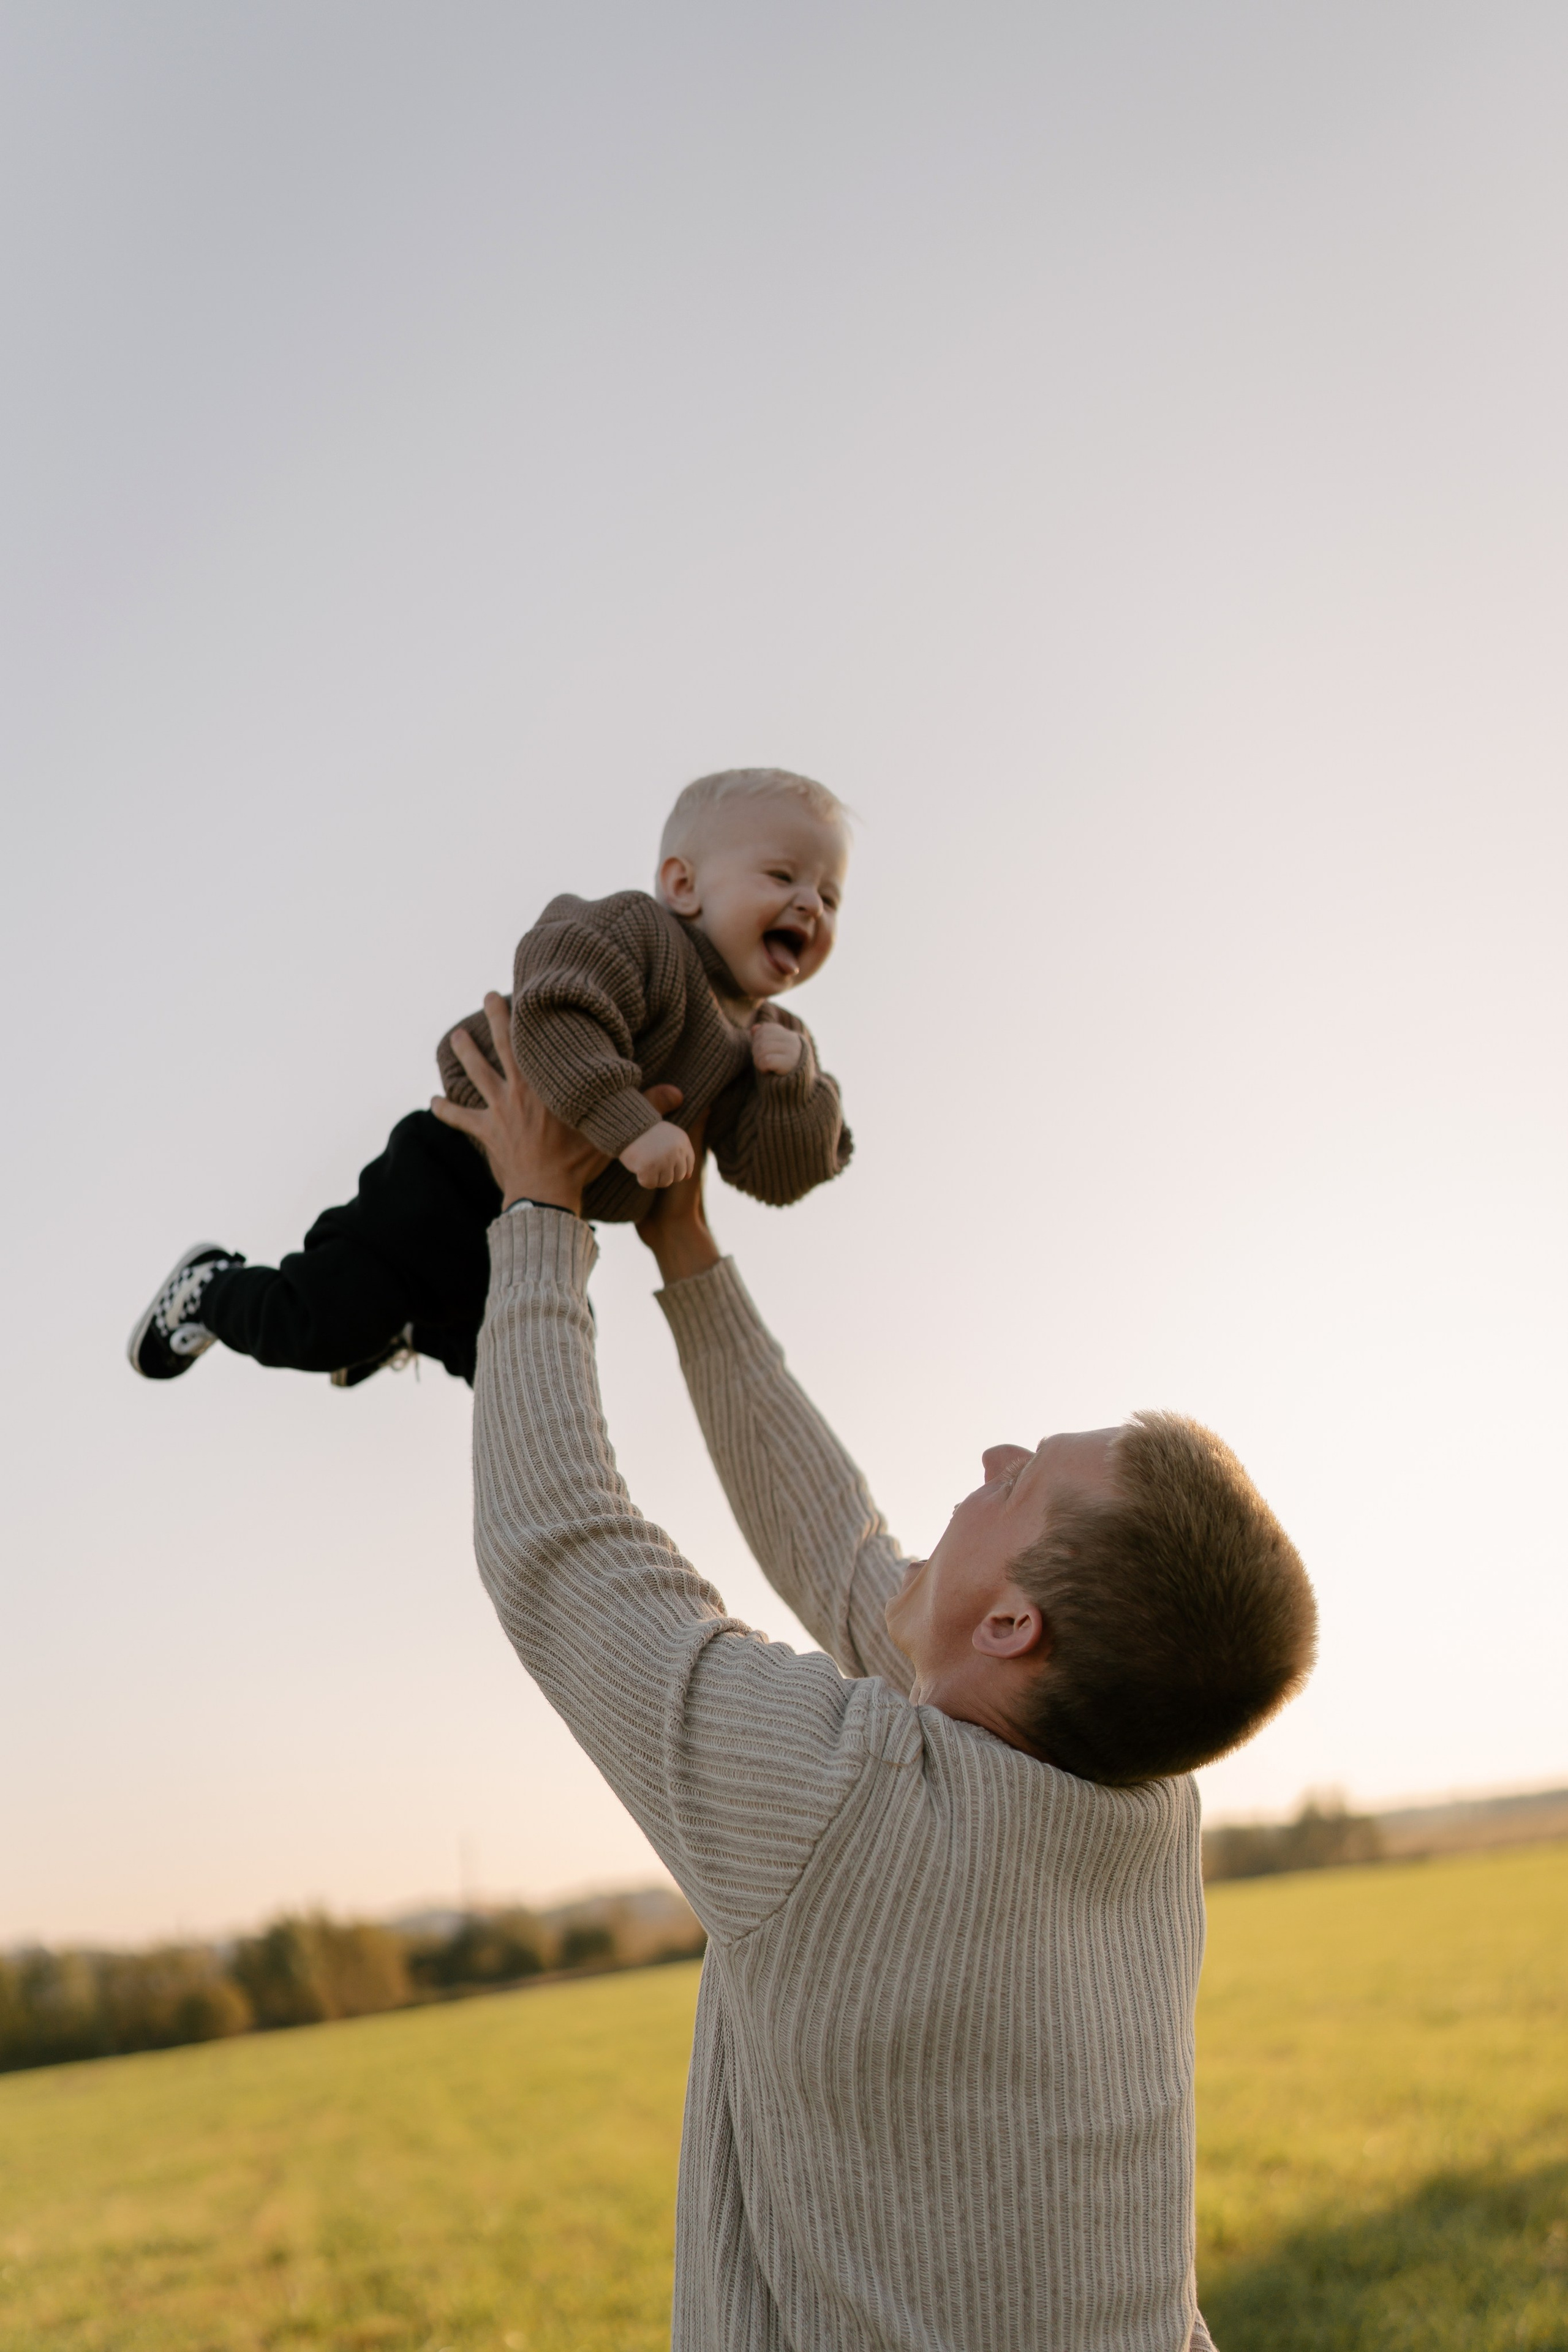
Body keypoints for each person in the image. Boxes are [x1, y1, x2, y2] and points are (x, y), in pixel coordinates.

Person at [446, 998, 1316, 2351]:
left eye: (1019, 1479)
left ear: (1016, 1628)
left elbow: (560, 1549)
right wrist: (686, 1255)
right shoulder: (1137, 1800)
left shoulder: (844, 1806)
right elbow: (847, 1556)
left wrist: (537, 1213)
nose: (986, 1461)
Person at [126, 767, 851, 1389]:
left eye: (830, 896)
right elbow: (554, 1011)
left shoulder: (771, 1042)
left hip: (549, 1221)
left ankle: (413, 1325)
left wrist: (793, 1092)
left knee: (542, 1379)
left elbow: (773, 1174)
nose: (811, 906)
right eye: (783, 876)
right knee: (321, 1325)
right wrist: (630, 1126)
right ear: (683, 884)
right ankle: (211, 1287)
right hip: (450, 1172)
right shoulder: (638, 933)